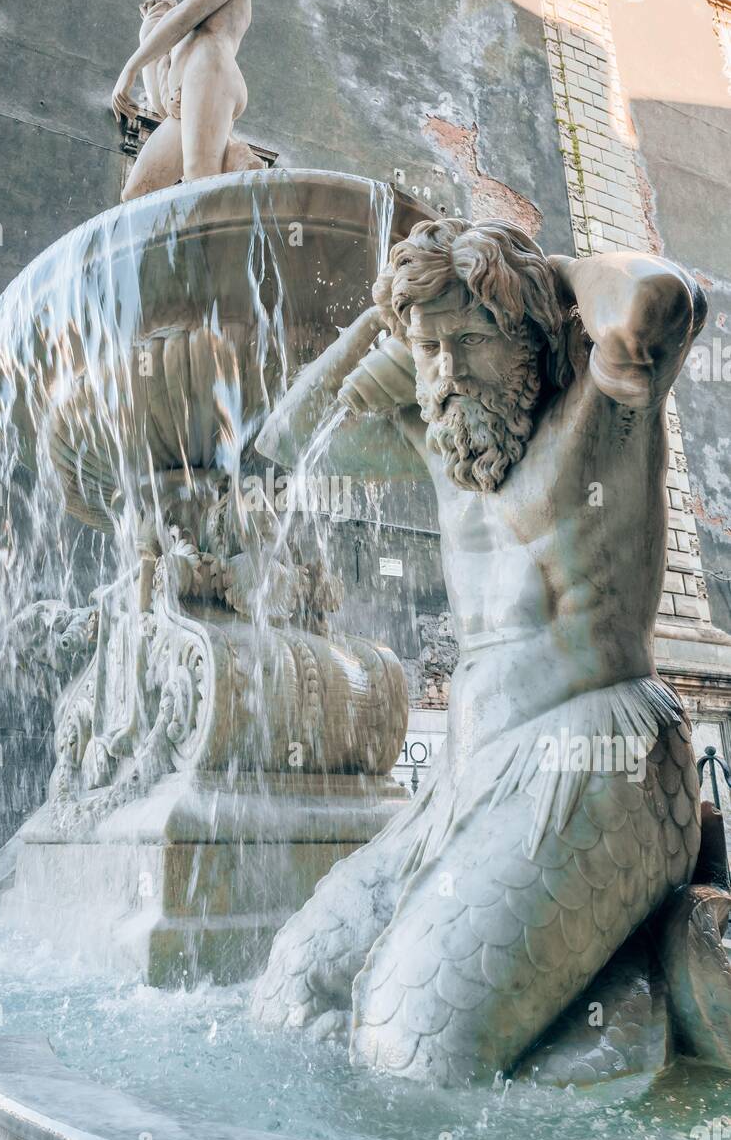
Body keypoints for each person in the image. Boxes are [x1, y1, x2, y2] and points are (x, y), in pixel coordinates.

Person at [251, 216, 707, 1085]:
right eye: (429, 349)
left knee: (412, 1042)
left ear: (529, 336)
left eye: (469, 341)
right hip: (469, 778)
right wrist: (394, 322)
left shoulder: (605, 401)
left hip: (601, 757)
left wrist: (547, 273)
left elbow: (656, 298)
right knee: (291, 986)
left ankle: (619, 1025)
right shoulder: (438, 436)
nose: (448, 371)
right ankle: (609, 1003)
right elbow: (290, 433)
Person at [111, 0, 258, 201]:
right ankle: (233, 155)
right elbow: (161, 105)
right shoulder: (178, 34)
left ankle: (231, 161)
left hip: (213, 70)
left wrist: (131, 68)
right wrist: (149, 30)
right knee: (136, 194)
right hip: (187, 100)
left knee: (199, 178)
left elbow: (185, 16)